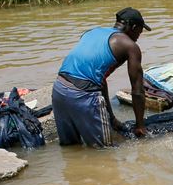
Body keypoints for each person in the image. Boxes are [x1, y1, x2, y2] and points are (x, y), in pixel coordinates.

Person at [52, 8, 148, 147]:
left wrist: (111, 118)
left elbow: (99, 79)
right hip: (83, 96)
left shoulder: (92, 32)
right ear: (133, 27)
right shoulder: (130, 46)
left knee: (71, 149)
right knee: (104, 153)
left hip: (59, 90)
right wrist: (140, 125)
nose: (139, 36)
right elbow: (137, 90)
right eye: (139, 31)